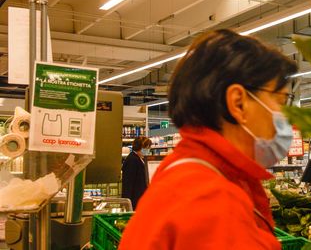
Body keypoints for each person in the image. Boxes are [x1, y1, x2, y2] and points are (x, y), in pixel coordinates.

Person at [119, 29, 297, 249]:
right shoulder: (212, 200)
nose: (287, 116)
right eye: (279, 100)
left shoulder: (190, 173)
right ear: (238, 102)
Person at [121, 136, 152, 210]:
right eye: (146, 148)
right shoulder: (132, 160)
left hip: (139, 198)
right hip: (134, 200)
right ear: (140, 147)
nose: (148, 150)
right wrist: (127, 204)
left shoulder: (139, 158)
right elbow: (128, 183)